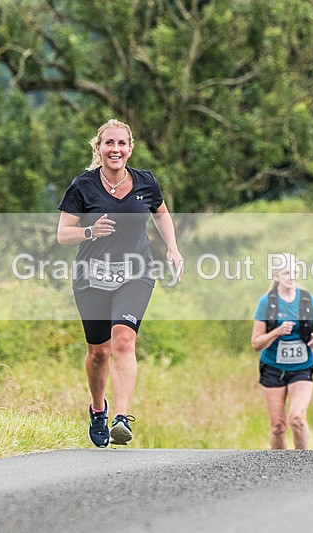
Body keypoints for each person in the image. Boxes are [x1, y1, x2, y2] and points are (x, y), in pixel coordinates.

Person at [57, 118, 183, 448]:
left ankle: (122, 418)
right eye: (108, 143)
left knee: (123, 341)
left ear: (130, 149)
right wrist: (88, 231)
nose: (115, 149)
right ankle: (98, 409)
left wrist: (172, 247)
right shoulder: (82, 186)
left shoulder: (146, 182)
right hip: (92, 275)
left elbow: (161, 213)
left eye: (121, 144)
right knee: (99, 352)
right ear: (98, 149)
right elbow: (62, 234)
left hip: (136, 271)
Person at [251, 254, 313, 450]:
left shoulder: (307, 301)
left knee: (297, 418)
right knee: (278, 427)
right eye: (286, 272)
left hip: (301, 368)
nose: (291, 276)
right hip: (272, 368)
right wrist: (277, 332)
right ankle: (280, 469)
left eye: (295, 272)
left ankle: (303, 463)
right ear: (276, 276)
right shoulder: (267, 303)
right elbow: (256, 343)